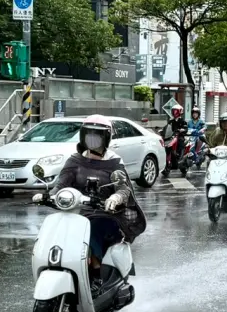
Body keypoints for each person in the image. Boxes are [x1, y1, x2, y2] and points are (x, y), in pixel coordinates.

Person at [54, 115, 147, 295]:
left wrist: (115, 199)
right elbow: (61, 184)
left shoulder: (114, 162)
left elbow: (123, 189)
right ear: (82, 136)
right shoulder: (75, 160)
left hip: (107, 214)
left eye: (97, 135)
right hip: (77, 212)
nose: (92, 138)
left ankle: (95, 276)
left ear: (106, 138)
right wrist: (49, 195)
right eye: (88, 134)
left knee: (92, 230)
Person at [160, 104, 188, 175]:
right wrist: (162, 131)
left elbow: (186, 128)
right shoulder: (171, 121)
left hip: (179, 136)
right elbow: (167, 127)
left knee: (180, 142)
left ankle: (180, 156)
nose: (174, 113)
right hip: (171, 137)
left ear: (180, 112)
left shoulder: (182, 121)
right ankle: (167, 162)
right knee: (166, 146)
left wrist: (182, 130)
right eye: (173, 111)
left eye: (176, 111)